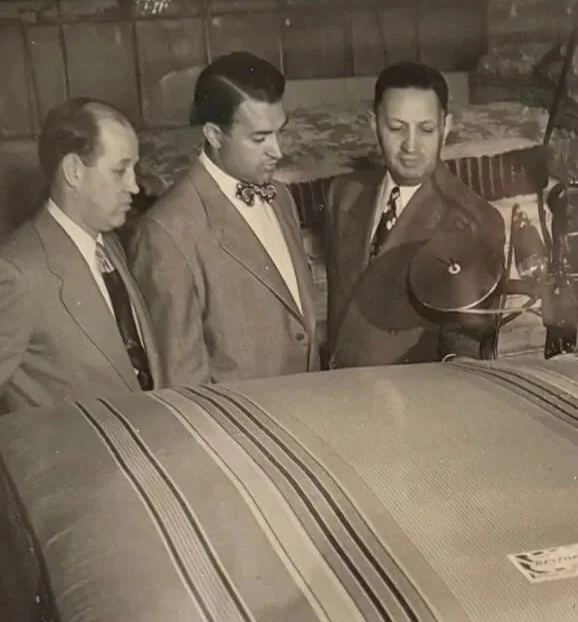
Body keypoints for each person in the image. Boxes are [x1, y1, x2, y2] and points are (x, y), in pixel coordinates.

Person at [127, 52, 321, 386]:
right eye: (259, 138)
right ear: (214, 135)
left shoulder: (281, 197)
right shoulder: (165, 233)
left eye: (279, 132)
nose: (278, 151)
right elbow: (181, 380)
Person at [325, 61, 505, 369]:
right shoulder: (344, 193)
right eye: (396, 128)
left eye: (425, 129)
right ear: (373, 124)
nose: (410, 145)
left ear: (446, 127)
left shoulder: (473, 219)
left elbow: (465, 344)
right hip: (336, 387)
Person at [0, 98, 160, 412]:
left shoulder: (109, 242)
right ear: (74, 171)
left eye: (134, 169)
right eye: (120, 171)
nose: (135, 187)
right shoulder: (16, 272)